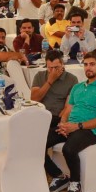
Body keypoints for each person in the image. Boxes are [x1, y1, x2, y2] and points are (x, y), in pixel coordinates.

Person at [46, 53, 96, 192]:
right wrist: (63, 124)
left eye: (92, 64)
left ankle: (75, 181)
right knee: (37, 143)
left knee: (68, 149)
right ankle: (59, 176)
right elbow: (67, 110)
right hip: (70, 127)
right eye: (86, 64)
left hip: (89, 130)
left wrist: (77, 126)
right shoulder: (77, 87)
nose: (88, 68)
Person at [31, 51, 78, 181]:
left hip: (57, 119)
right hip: (39, 117)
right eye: (50, 68)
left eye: (56, 67)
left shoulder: (72, 79)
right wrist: (50, 81)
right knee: (24, 138)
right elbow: (34, 99)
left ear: (62, 64)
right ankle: (54, 174)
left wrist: (61, 121)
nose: (52, 71)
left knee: (37, 142)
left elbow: (68, 107)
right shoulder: (40, 76)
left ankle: (57, 175)